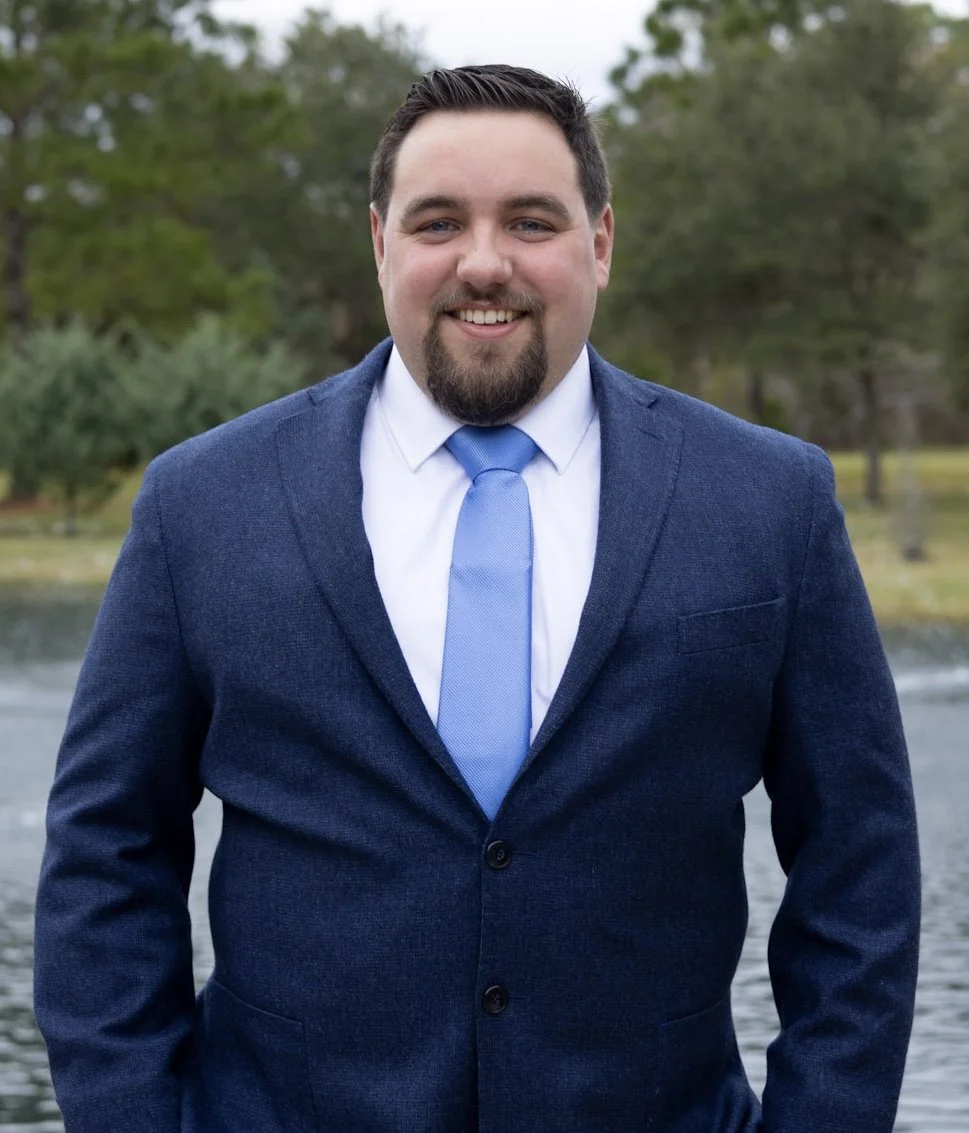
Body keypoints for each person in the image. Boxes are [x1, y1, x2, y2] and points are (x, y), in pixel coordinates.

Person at [34, 64, 920, 1133]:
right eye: (439, 221)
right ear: (380, 243)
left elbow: (859, 866)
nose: (484, 261)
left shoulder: (770, 500)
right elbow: (105, 855)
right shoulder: (203, 505)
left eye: (532, 221)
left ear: (599, 242)